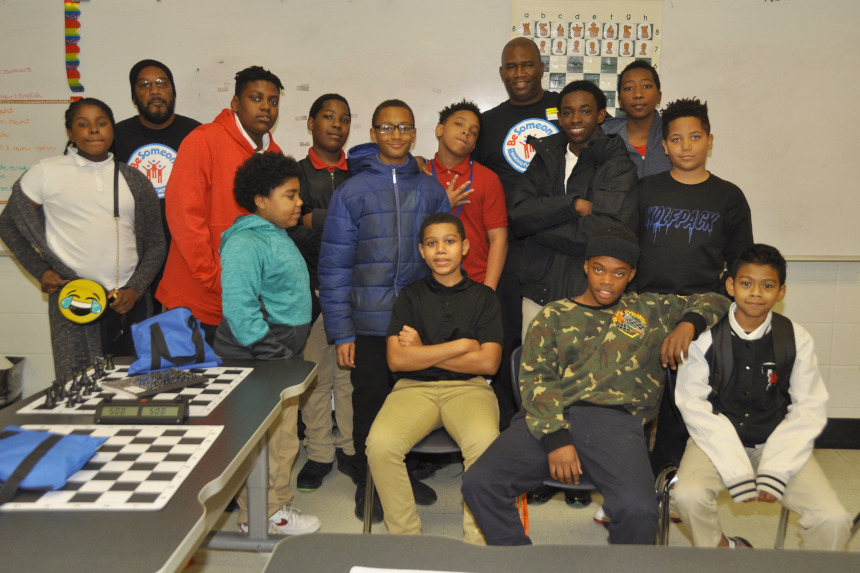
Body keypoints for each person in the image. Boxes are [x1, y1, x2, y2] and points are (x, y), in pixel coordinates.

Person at [461, 225, 730, 545]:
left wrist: (689, 323)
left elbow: (720, 299)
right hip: (550, 416)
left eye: (618, 273)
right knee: (479, 483)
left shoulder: (649, 310)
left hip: (617, 423)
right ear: (586, 266)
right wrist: (556, 439)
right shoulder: (554, 315)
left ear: (631, 275)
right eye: (599, 269)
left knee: (639, 511)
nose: (607, 280)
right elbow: (536, 379)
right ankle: (519, 562)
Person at [318, 99, 450, 521]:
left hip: (417, 323)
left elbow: (444, 260)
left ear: (414, 133)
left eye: (404, 127)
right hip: (369, 323)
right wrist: (342, 332)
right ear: (373, 134)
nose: (396, 135)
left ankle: (403, 475)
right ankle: (368, 485)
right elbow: (335, 266)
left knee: (411, 404)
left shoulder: (431, 190)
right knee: (371, 402)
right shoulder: (351, 192)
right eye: (387, 128)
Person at [672, 244, 852, 549]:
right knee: (686, 496)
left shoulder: (796, 337)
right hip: (715, 441)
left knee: (833, 519)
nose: (756, 293)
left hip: (779, 442)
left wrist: (775, 471)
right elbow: (693, 407)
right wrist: (737, 470)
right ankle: (720, 549)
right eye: (746, 283)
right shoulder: (705, 337)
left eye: (767, 286)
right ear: (731, 286)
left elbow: (809, 408)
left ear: (781, 292)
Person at [0, 98, 165, 378]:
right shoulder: (46, 172)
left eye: (101, 123)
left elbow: (156, 245)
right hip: (76, 301)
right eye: (83, 124)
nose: (93, 130)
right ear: (70, 133)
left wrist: (135, 289)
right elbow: (8, 225)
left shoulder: (134, 179)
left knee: (134, 387)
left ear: (112, 130)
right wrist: (39, 270)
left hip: (127, 301)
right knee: (79, 386)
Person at [366, 212, 503, 543]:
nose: (441, 251)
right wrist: (460, 347)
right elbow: (398, 360)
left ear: (465, 247)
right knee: (380, 446)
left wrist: (423, 351)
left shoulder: (484, 297)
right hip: (413, 389)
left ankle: (477, 542)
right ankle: (407, 542)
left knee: (485, 444)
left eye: (450, 242)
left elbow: (488, 363)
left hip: (469, 390)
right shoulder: (410, 296)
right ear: (422, 251)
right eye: (432, 244)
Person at [636, 97, 754, 479]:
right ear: (664, 145)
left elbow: (739, 267)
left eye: (695, 137)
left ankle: (670, 468)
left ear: (709, 140)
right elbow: (625, 252)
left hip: (702, 306)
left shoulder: (729, 197)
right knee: (620, 366)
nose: (686, 146)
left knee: (684, 385)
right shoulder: (645, 190)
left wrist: (695, 318)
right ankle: (626, 471)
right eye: (676, 139)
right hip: (641, 304)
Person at [213, 152, 320, 536]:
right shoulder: (246, 243)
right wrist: (275, 357)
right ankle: (262, 516)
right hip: (260, 358)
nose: (299, 203)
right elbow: (240, 311)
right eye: (290, 195)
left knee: (283, 438)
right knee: (271, 443)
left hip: (278, 355)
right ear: (261, 200)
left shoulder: (273, 234)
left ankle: (267, 509)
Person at [156, 65, 283, 343]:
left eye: (273, 101)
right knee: (187, 386)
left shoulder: (274, 154)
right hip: (194, 301)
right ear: (235, 103)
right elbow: (185, 217)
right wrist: (215, 278)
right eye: (256, 98)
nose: (266, 107)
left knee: (244, 385)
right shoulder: (204, 140)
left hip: (246, 306)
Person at [472, 37, 561, 430]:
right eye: (511, 66)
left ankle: (559, 434)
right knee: (507, 340)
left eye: (527, 65)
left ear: (542, 67)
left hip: (560, 249)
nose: (520, 73)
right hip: (505, 249)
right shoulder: (488, 123)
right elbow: (463, 167)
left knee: (557, 346)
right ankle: (511, 430)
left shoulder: (568, 110)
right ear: (502, 73)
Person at [508, 79, 638, 340]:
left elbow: (603, 234)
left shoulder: (617, 162)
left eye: (585, 111)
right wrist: (572, 205)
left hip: (592, 295)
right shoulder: (545, 155)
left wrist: (540, 228)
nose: (575, 119)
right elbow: (519, 215)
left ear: (601, 115)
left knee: (589, 377)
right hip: (538, 292)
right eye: (567, 112)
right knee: (534, 376)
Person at [293, 93, 356, 492]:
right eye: (328, 117)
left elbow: (368, 226)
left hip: (354, 291)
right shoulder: (295, 173)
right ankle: (318, 452)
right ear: (311, 122)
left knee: (350, 375)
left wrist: (316, 217)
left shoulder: (362, 173)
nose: (336, 124)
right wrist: (339, 220)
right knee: (315, 376)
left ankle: (350, 448)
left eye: (344, 118)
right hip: (309, 288)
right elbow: (290, 226)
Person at [114, 59, 201, 312]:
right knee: (135, 340)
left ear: (173, 91)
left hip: (184, 255)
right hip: (132, 258)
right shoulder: (115, 137)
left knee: (181, 340)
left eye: (162, 83)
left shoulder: (197, 134)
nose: (155, 90)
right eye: (145, 85)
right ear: (134, 96)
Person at [427, 100, 508, 289]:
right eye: (459, 124)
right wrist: (443, 205)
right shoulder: (421, 174)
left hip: (475, 284)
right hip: (426, 287)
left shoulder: (488, 179)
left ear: (473, 146)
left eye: (473, 132)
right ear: (439, 130)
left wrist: (488, 290)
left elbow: (499, 240)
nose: (466, 132)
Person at [600, 60, 672, 178]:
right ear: (620, 101)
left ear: (659, 97)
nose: (638, 94)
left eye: (646, 86)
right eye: (629, 88)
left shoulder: (674, 135)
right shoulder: (604, 137)